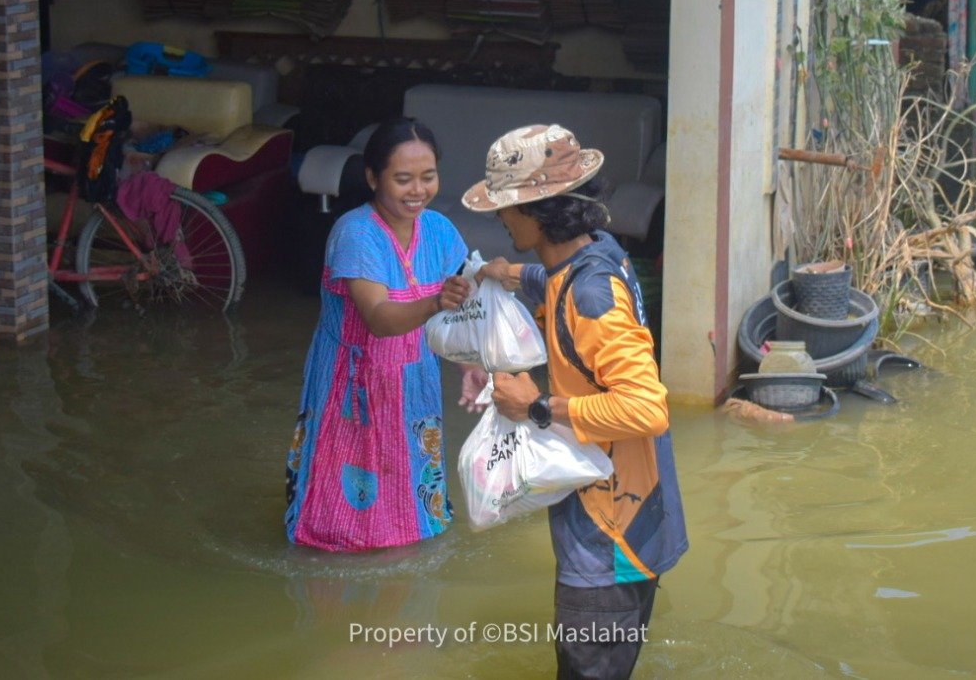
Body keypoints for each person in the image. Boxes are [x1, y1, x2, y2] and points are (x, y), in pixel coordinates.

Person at [463, 123, 687, 680]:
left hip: (609, 533)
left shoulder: (590, 296)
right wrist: (504, 273)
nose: (500, 218)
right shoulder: (598, 253)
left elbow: (647, 407)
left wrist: (538, 406)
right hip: (636, 512)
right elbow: (551, 276)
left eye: (506, 208)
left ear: (537, 211)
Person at [285, 117, 478, 551]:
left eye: (428, 177)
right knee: (339, 526)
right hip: (352, 386)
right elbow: (377, 317)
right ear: (373, 177)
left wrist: (470, 363)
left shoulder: (440, 230)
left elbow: (459, 312)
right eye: (403, 179)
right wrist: (435, 302)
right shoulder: (356, 233)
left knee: (413, 510)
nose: (418, 191)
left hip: (414, 383)